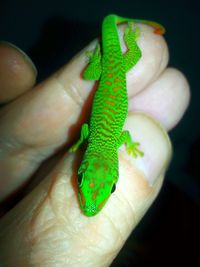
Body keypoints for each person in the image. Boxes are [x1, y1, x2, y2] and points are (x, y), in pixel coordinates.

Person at [0, 23, 190, 266]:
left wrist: (125, 145)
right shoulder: (96, 141)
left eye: (81, 180)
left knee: (120, 62)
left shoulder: (112, 143)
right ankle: (119, 40)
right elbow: (87, 130)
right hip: (113, 69)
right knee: (99, 70)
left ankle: (121, 40)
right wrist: (80, 141)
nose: (90, 205)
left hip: (114, 69)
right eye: (110, 189)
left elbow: (113, 135)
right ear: (112, 175)